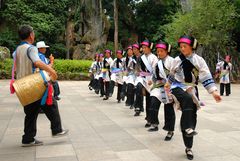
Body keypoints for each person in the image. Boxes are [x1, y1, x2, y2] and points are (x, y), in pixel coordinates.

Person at [14, 25, 68, 147]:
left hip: (22, 86)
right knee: (51, 103)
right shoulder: (31, 48)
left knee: (31, 112)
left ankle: (28, 138)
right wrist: (52, 70)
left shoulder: (17, 49)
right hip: (32, 83)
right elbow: (37, 62)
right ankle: (57, 129)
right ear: (31, 35)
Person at [169, 35, 221, 160]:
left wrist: (213, 92)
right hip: (177, 87)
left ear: (192, 47)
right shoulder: (177, 60)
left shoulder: (199, 60)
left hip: (191, 88)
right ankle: (187, 128)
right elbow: (171, 74)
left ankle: (188, 147)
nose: (182, 49)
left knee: (191, 115)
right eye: (181, 47)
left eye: (185, 46)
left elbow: (206, 76)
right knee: (186, 99)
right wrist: (167, 85)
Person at [147, 41, 176, 141]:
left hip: (170, 87)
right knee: (153, 101)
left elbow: (176, 74)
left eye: (161, 51)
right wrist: (152, 80)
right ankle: (154, 123)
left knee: (168, 109)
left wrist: (170, 83)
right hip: (160, 87)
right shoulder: (157, 63)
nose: (159, 53)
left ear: (167, 51)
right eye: (158, 51)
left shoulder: (172, 61)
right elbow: (155, 76)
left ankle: (170, 130)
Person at [134, 40, 158, 124]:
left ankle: (151, 118)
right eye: (142, 48)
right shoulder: (140, 57)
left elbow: (155, 70)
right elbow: (137, 69)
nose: (143, 49)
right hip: (143, 78)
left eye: (145, 48)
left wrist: (153, 79)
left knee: (151, 101)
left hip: (151, 80)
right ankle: (148, 118)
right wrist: (137, 73)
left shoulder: (154, 57)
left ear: (149, 48)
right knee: (146, 98)